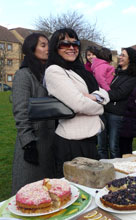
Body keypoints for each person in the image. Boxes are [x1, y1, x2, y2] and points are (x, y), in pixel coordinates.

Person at [44, 28, 109, 177]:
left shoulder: (79, 69)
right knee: (76, 191)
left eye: (75, 43)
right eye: (64, 44)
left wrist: (94, 97)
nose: (72, 48)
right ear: (55, 47)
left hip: (90, 139)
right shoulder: (54, 70)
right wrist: (101, 106)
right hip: (71, 143)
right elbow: (79, 104)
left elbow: (105, 93)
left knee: (92, 187)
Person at [11, 33, 56, 195]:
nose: (48, 49)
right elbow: (20, 111)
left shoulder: (47, 73)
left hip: (50, 140)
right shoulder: (24, 75)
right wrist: (28, 143)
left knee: (49, 192)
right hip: (33, 142)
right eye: (43, 45)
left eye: (48, 45)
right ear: (32, 49)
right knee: (29, 192)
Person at [98, 47, 136, 159]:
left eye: (123, 55)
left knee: (114, 146)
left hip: (116, 115)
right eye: (120, 55)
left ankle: (116, 169)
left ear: (130, 59)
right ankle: (103, 167)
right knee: (102, 146)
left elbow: (119, 94)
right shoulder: (115, 73)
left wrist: (100, 95)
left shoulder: (132, 77)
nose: (120, 57)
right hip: (104, 111)